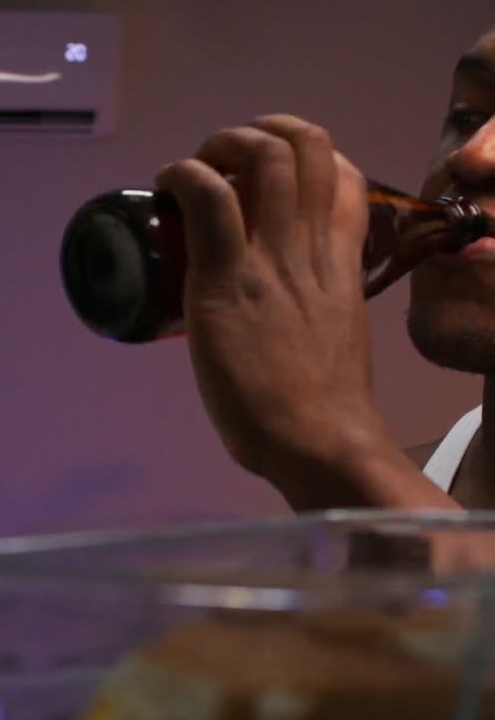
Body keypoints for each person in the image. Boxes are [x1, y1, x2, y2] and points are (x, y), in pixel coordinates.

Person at [155, 27, 495, 516]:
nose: (472, 155)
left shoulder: (357, 494)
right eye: (466, 117)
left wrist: (333, 440)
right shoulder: (381, 502)